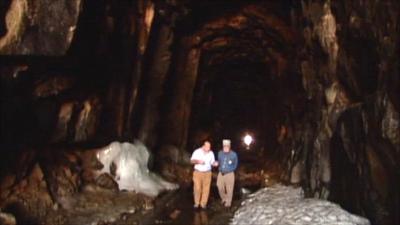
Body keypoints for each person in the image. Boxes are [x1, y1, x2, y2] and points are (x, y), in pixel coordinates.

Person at [190, 141, 218, 209]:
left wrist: (215, 163)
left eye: (209, 147)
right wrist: (198, 161)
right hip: (198, 172)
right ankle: (196, 203)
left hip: (207, 173)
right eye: (207, 147)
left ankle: (203, 204)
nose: (208, 148)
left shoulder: (211, 153)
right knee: (197, 188)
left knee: (206, 189)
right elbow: (191, 161)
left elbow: (212, 162)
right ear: (203, 146)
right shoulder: (197, 152)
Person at [217, 139, 238, 207]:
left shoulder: (233, 154)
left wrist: (230, 169)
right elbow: (219, 161)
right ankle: (224, 198)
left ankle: (228, 202)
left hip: (229, 174)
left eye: (227, 146)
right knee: (219, 186)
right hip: (221, 173)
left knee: (229, 189)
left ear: (229, 146)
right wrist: (217, 165)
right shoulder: (220, 153)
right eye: (224, 146)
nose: (225, 147)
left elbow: (235, 164)